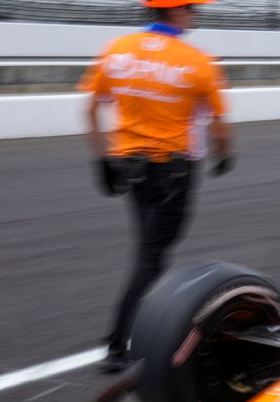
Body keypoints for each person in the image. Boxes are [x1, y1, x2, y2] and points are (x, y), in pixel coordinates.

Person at [80, 0, 235, 373]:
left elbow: (89, 108)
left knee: (149, 251)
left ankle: (145, 328)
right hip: (174, 172)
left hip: (131, 167)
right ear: (178, 12)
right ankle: (118, 343)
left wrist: (101, 160)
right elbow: (218, 120)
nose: (196, 14)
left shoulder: (116, 50)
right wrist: (224, 154)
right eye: (193, 8)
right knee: (151, 257)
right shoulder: (198, 60)